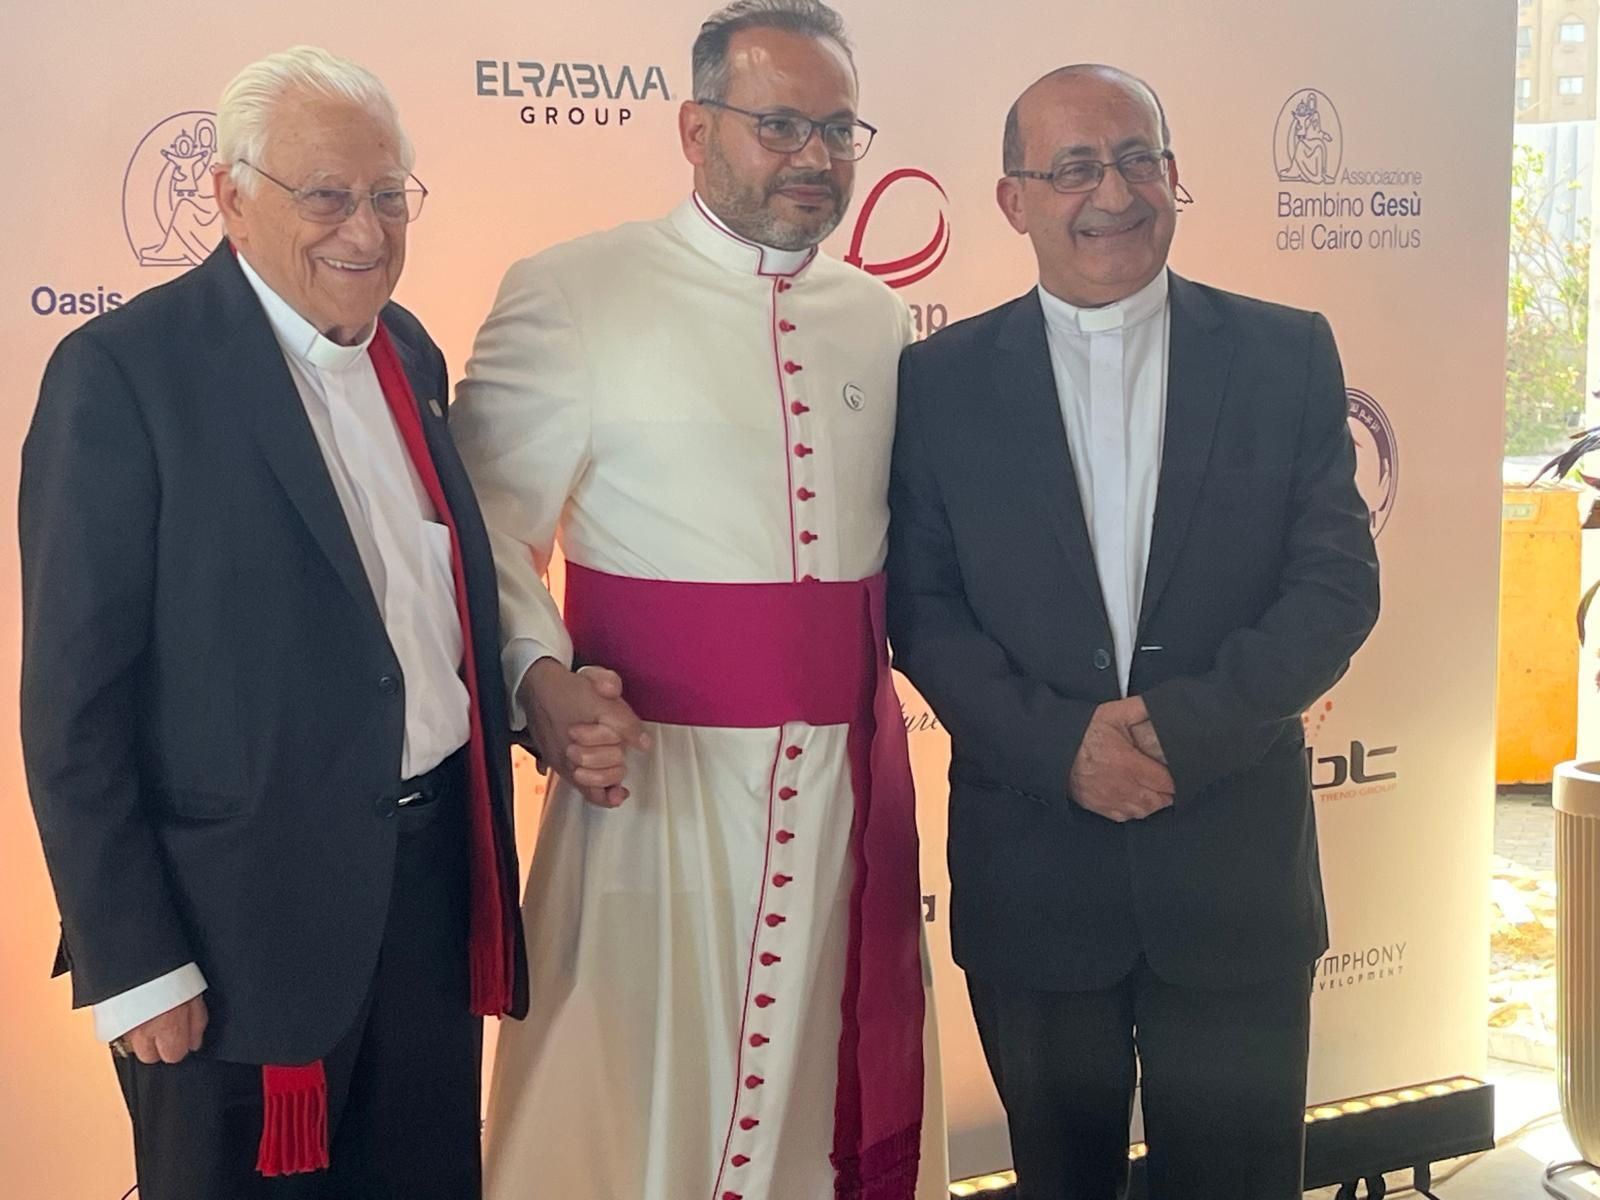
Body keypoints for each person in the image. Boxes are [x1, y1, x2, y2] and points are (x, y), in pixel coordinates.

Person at [451, 2, 946, 1197]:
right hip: (653, 802)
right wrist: (539, 682)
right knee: (626, 1117)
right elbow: (477, 533)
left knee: (821, 1112)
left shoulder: (877, 319)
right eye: (779, 126)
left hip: (841, 798)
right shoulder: (572, 291)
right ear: (694, 128)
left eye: (838, 131)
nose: (815, 160)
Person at [19, 45, 523, 1200]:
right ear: (232, 197)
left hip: (430, 900)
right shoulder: (124, 375)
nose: (368, 228)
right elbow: (71, 705)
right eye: (328, 194)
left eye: (390, 195)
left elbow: (409, 626)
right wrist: (135, 963)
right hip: (230, 943)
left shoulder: (409, 352)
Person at [886, 64, 1380, 1200]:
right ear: (1013, 200)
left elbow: (1334, 587)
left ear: (1170, 174)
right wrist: (1062, 747)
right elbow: (920, 606)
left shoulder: (1284, 351)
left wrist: (1175, 730)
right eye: (1071, 167)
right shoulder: (937, 380)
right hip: (1033, 877)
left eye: (1137, 158)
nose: (1111, 191)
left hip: (1233, 875)